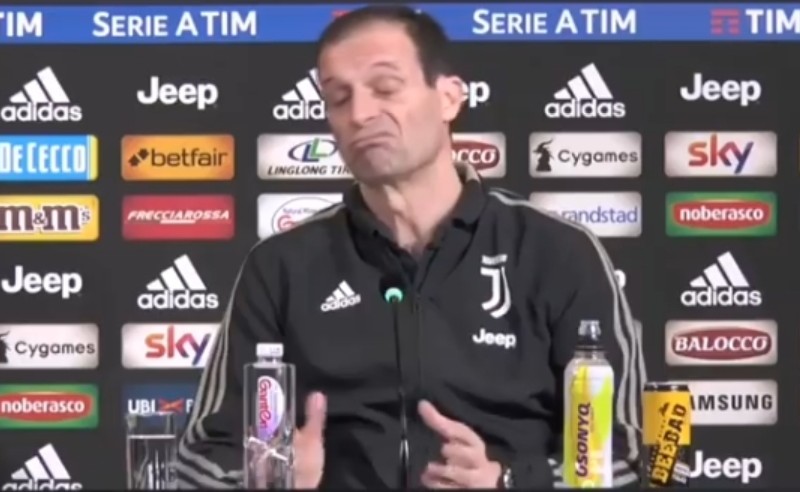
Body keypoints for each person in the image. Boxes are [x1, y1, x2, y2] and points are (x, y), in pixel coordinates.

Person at [175, 5, 646, 489]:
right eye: (338, 98)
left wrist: (507, 481)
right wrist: (270, 478)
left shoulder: (556, 252)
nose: (360, 114)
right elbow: (200, 459)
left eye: (385, 88)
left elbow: (630, 458)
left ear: (449, 98)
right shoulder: (281, 267)